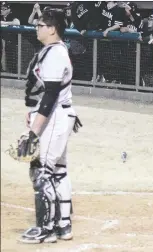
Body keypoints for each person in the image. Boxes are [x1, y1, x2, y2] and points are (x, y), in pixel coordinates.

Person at [19, 9, 82, 244]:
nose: (37, 28)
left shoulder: (55, 54)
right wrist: (33, 112)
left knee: (41, 171)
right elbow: (45, 93)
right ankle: (63, 225)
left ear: (52, 29)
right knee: (58, 170)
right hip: (59, 115)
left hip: (55, 116)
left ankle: (45, 228)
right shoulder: (54, 51)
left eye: (41, 25)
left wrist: (34, 131)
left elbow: (51, 95)